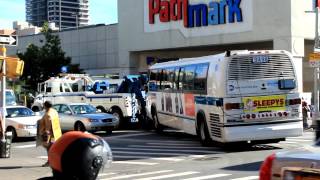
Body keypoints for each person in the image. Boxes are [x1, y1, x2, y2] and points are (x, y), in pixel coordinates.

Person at [38, 101, 62, 167]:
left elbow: (48, 127)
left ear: (45, 106)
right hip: (56, 132)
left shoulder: (48, 114)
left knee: (49, 148)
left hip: (50, 134)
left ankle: (50, 162)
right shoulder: (54, 111)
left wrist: (46, 136)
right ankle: (56, 161)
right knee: (53, 147)